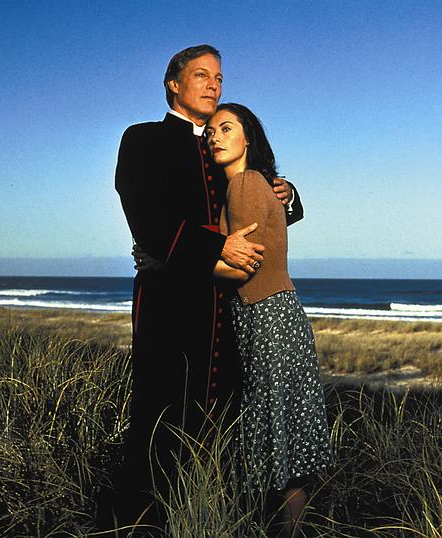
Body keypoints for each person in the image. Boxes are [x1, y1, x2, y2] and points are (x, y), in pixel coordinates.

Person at [113, 45, 303, 531]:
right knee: (161, 413)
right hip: (170, 302)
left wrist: (288, 195)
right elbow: (148, 217)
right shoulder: (143, 139)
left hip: (230, 306)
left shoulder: (222, 145)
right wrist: (215, 248)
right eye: (201, 75)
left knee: (227, 417)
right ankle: (145, 524)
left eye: (218, 77)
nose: (213, 84)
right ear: (173, 84)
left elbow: (257, 206)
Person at [207, 103, 332, 537]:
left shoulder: (243, 185)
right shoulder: (251, 183)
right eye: (211, 132)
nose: (215, 137)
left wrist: (172, 265)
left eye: (226, 129)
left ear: (248, 139)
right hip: (279, 315)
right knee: (286, 436)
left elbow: (245, 266)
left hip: (265, 318)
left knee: (273, 430)